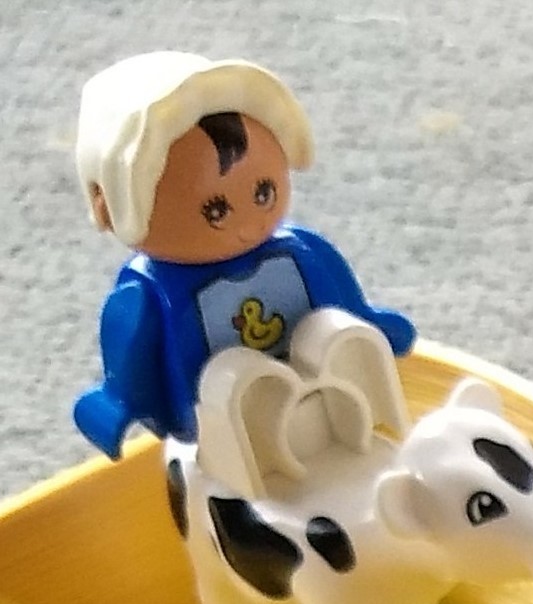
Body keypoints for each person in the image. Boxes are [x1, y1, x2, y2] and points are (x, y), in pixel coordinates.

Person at [69, 53, 415, 458]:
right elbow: (131, 352)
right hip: (223, 426)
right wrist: (119, 402)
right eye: (215, 211)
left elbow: (341, 298)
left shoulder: (300, 250)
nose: (246, 224)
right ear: (108, 208)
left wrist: (369, 326)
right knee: (232, 383)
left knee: (329, 336)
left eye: (263, 193)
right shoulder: (146, 292)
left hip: (328, 394)